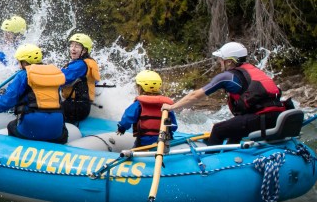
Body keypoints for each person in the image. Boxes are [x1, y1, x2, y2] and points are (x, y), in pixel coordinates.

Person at [161, 41, 289, 145]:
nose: (219, 62)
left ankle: (209, 165)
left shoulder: (227, 76)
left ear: (229, 61)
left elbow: (195, 95)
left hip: (262, 119)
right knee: (234, 130)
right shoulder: (253, 70)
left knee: (218, 129)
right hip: (276, 116)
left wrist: (172, 107)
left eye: (221, 59)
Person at [0, 44, 67, 143]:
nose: (18, 65)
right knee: (63, 133)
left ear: (25, 63)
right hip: (56, 124)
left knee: (11, 126)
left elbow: (3, 104)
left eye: (19, 62)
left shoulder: (22, 75)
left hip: (31, 125)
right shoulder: (54, 75)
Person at [116, 70, 178, 147]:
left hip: (144, 142)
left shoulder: (139, 104)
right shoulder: (167, 105)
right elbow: (174, 127)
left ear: (140, 88)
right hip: (165, 141)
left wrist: (121, 128)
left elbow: (128, 118)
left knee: (134, 149)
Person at [60, 33, 100, 125]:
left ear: (85, 50)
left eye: (77, 46)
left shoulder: (80, 65)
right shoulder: (85, 63)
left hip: (76, 108)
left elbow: (61, 79)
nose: (73, 49)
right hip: (79, 106)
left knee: (47, 108)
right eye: (71, 45)